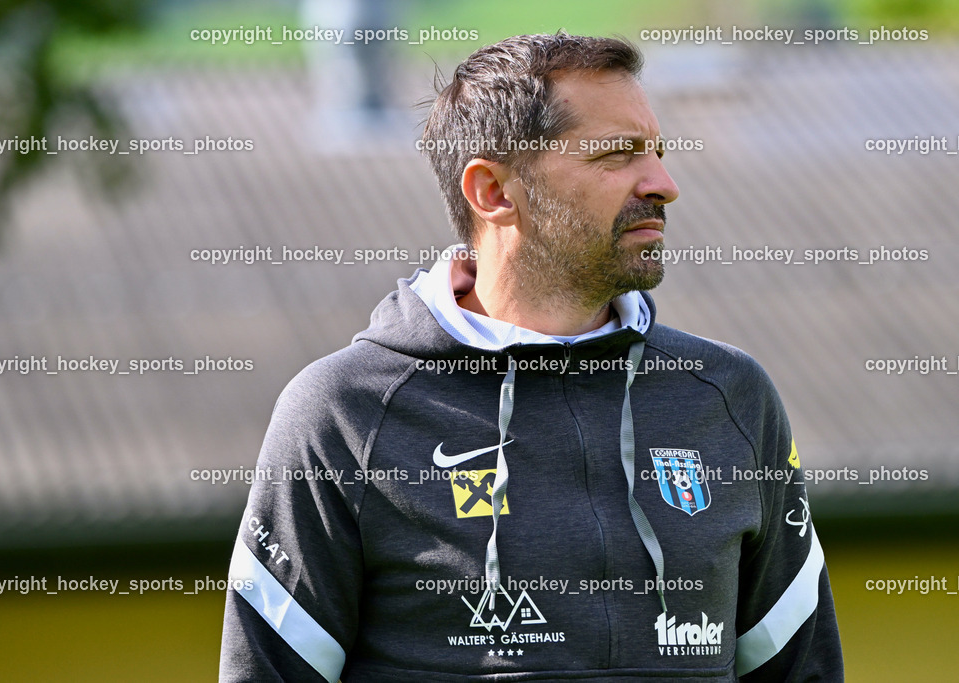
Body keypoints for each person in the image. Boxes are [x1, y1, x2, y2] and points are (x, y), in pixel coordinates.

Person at [219, 32, 844, 682]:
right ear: (492, 191)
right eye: (617, 155)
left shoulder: (729, 398)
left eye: (655, 152)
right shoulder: (342, 416)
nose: (663, 183)